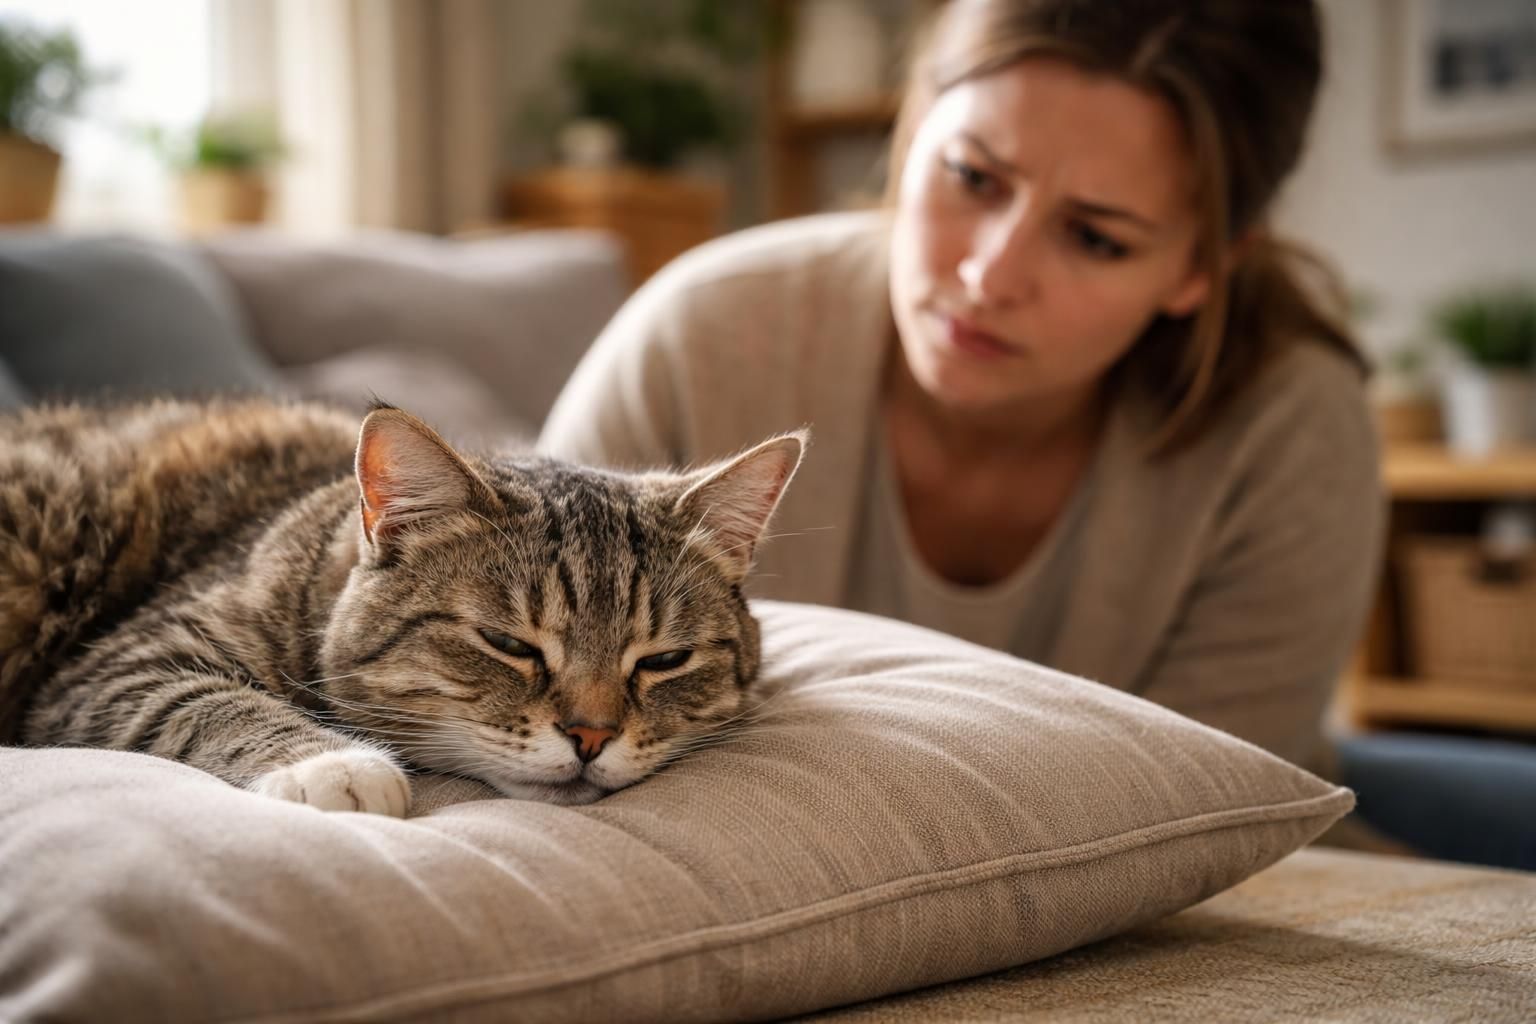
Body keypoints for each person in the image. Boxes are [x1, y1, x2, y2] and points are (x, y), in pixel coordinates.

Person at [541, 0, 1446, 856]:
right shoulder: (698, 339)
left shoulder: (1289, 428)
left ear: (1202, 268)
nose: (989, 274)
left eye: (1096, 238)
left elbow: (1204, 822)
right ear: (911, 132)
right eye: (973, 177)